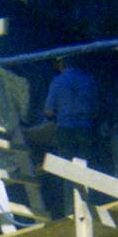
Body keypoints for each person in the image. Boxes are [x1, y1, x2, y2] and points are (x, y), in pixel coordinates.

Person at [41, 56, 97, 215]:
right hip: (86, 128)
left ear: (61, 65)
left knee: (67, 170)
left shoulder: (58, 81)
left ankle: (71, 211)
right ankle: (88, 208)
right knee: (87, 168)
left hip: (65, 130)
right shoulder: (88, 80)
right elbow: (96, 106)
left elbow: (48, 110)